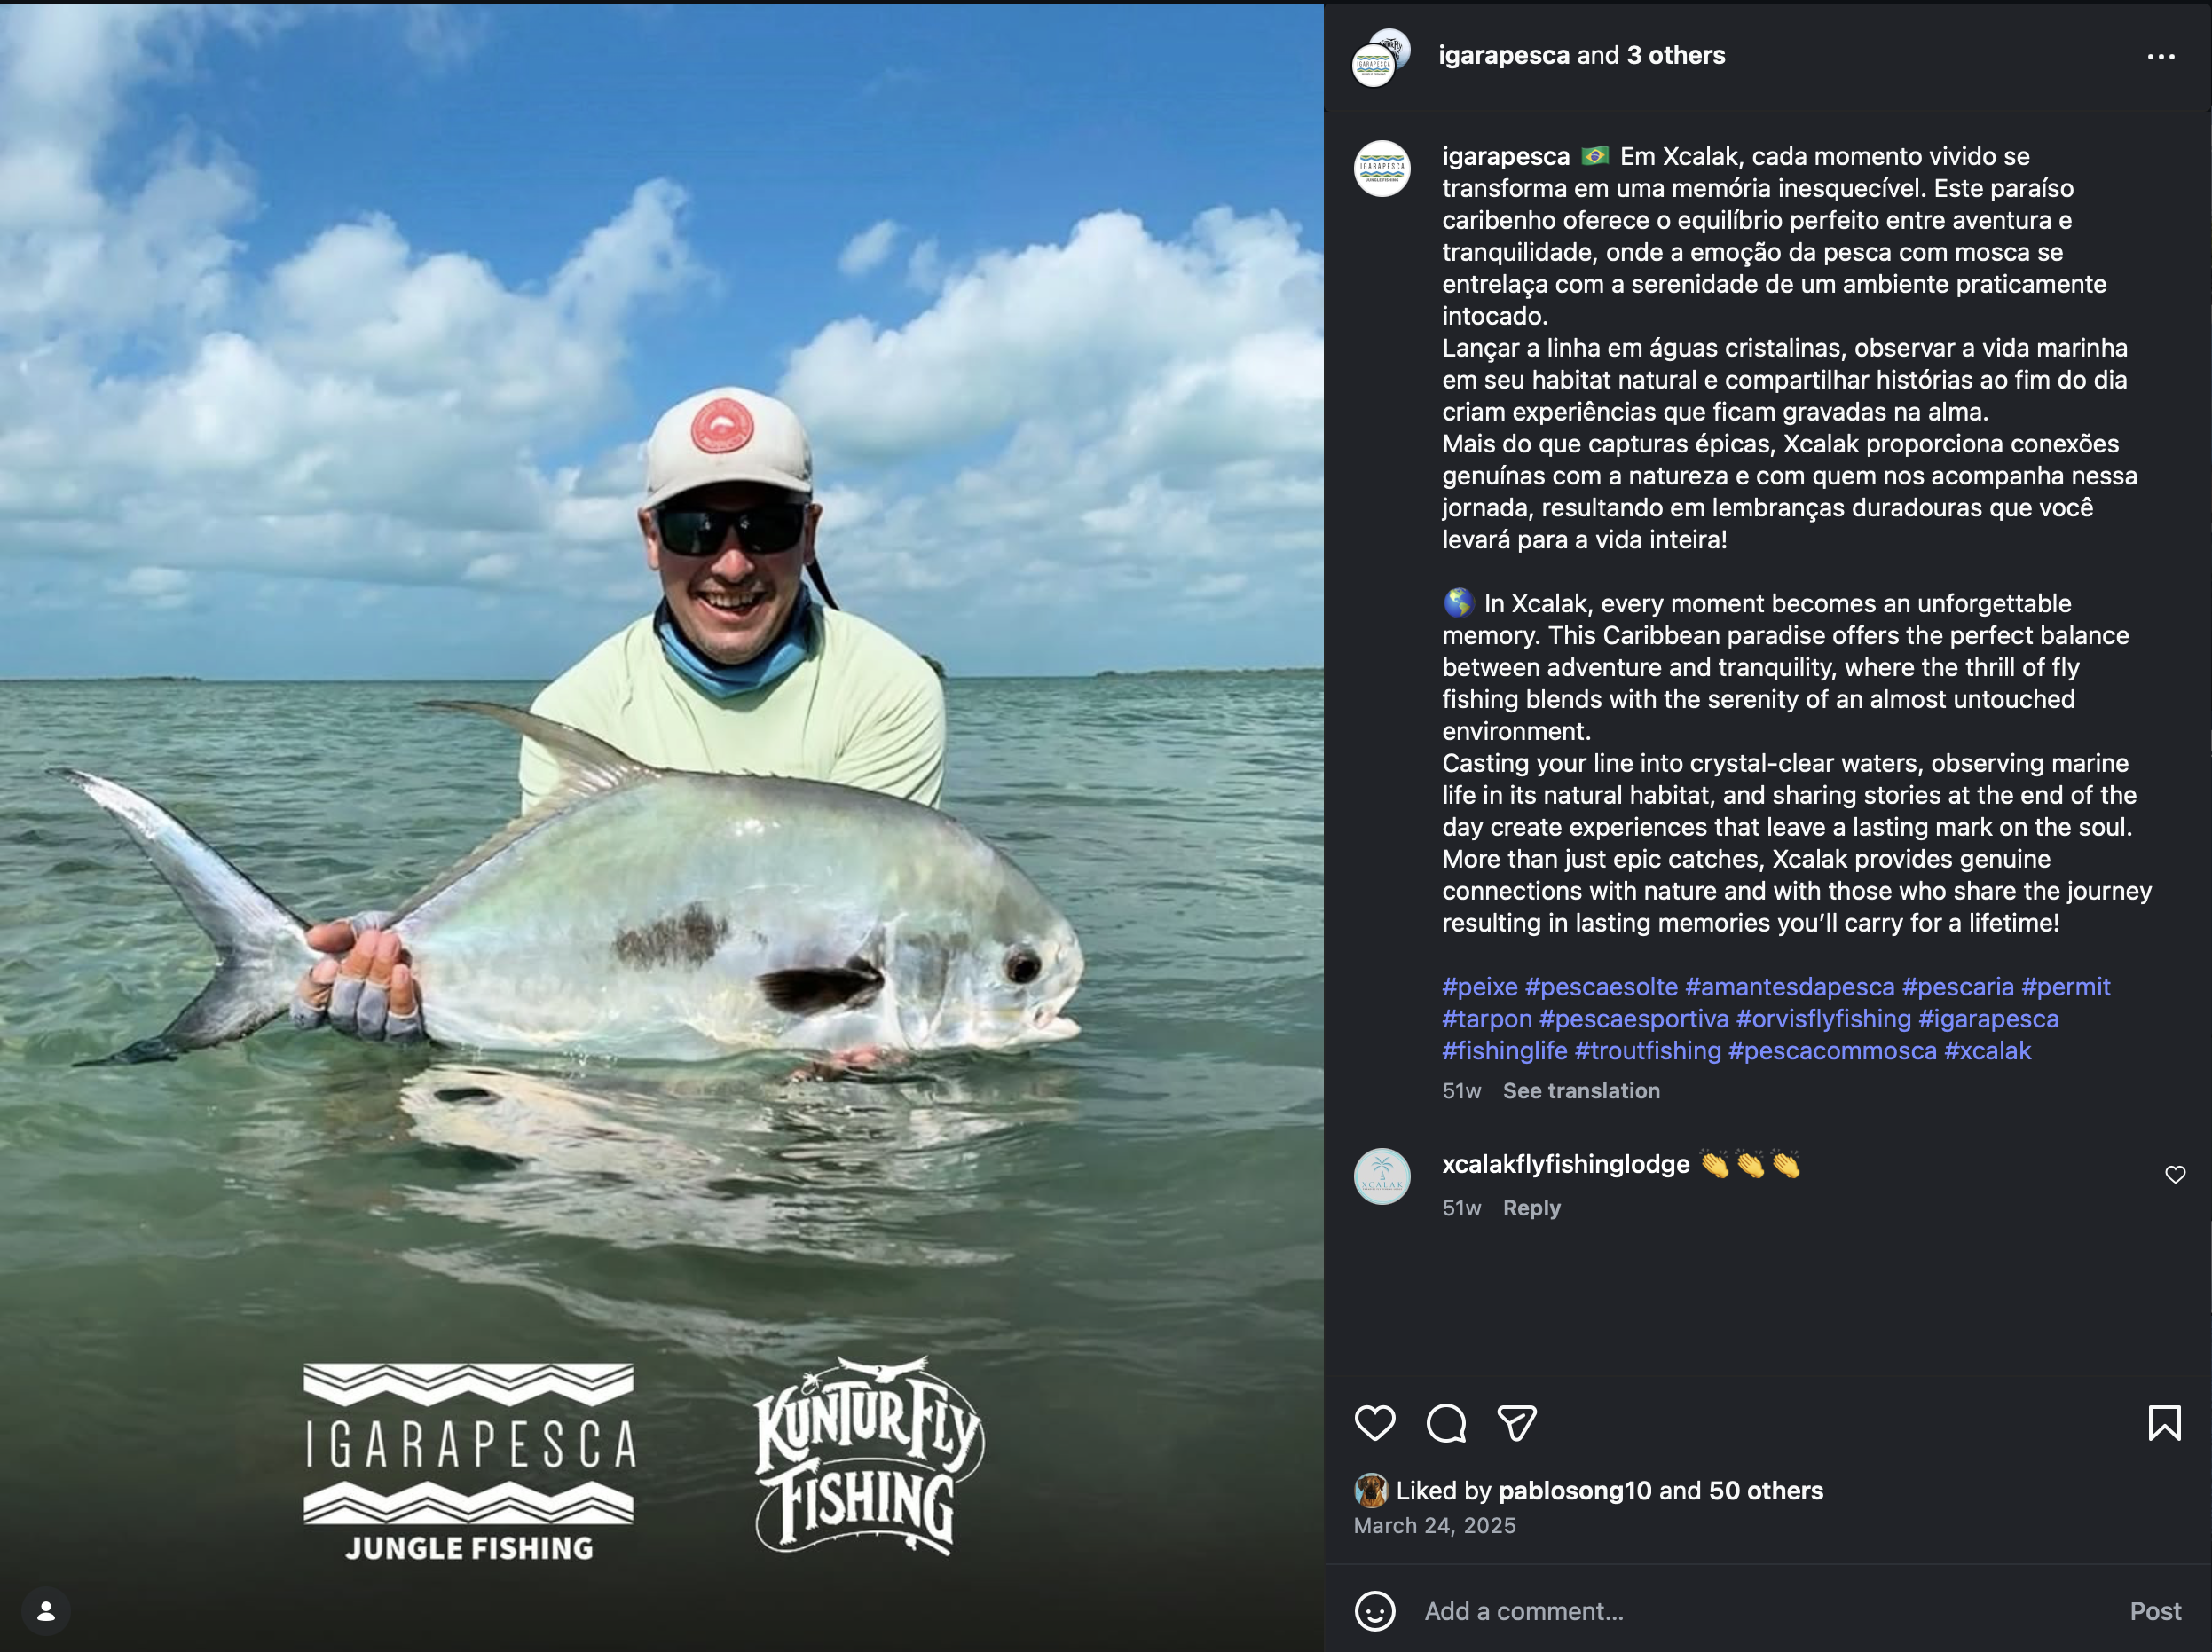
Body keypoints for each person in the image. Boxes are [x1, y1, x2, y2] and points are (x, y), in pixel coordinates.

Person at [290, 385, 947, 1045]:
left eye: (765, 527)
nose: (731, 563)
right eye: (695, 527)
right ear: (651, 538)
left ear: (807, 535)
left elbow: (853, 932)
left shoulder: (888, 689)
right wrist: (407, 951)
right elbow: (556, 915)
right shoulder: (579, 708)